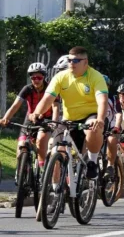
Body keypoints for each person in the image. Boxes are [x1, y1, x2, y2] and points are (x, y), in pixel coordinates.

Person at [29, 46, 108, 179]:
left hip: (90, 116)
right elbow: (48, 98)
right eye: (70, 60)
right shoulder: (61, 76)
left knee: (93, 128)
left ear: (85, 62)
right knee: (56, 152)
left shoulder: (96, 77)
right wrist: (36, 113)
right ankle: (55, 190)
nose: (71, 63)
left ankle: (92, 162)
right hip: (68, 118)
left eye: (76, 60)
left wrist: (100, 119)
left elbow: (102, 101)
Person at [0, 63, 60, 167]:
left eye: (39, 77)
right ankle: (22, 172)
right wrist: (5, 118)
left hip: (47, 119)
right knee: (21, 145)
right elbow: (15, 106)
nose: (36, 80)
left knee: (41, 141)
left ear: (44, 77)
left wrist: (54, 122)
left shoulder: (51, 89)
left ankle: (42, 172)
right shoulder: (27, 89)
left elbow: (55, 107)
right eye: (33, 78)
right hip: (30, 119)